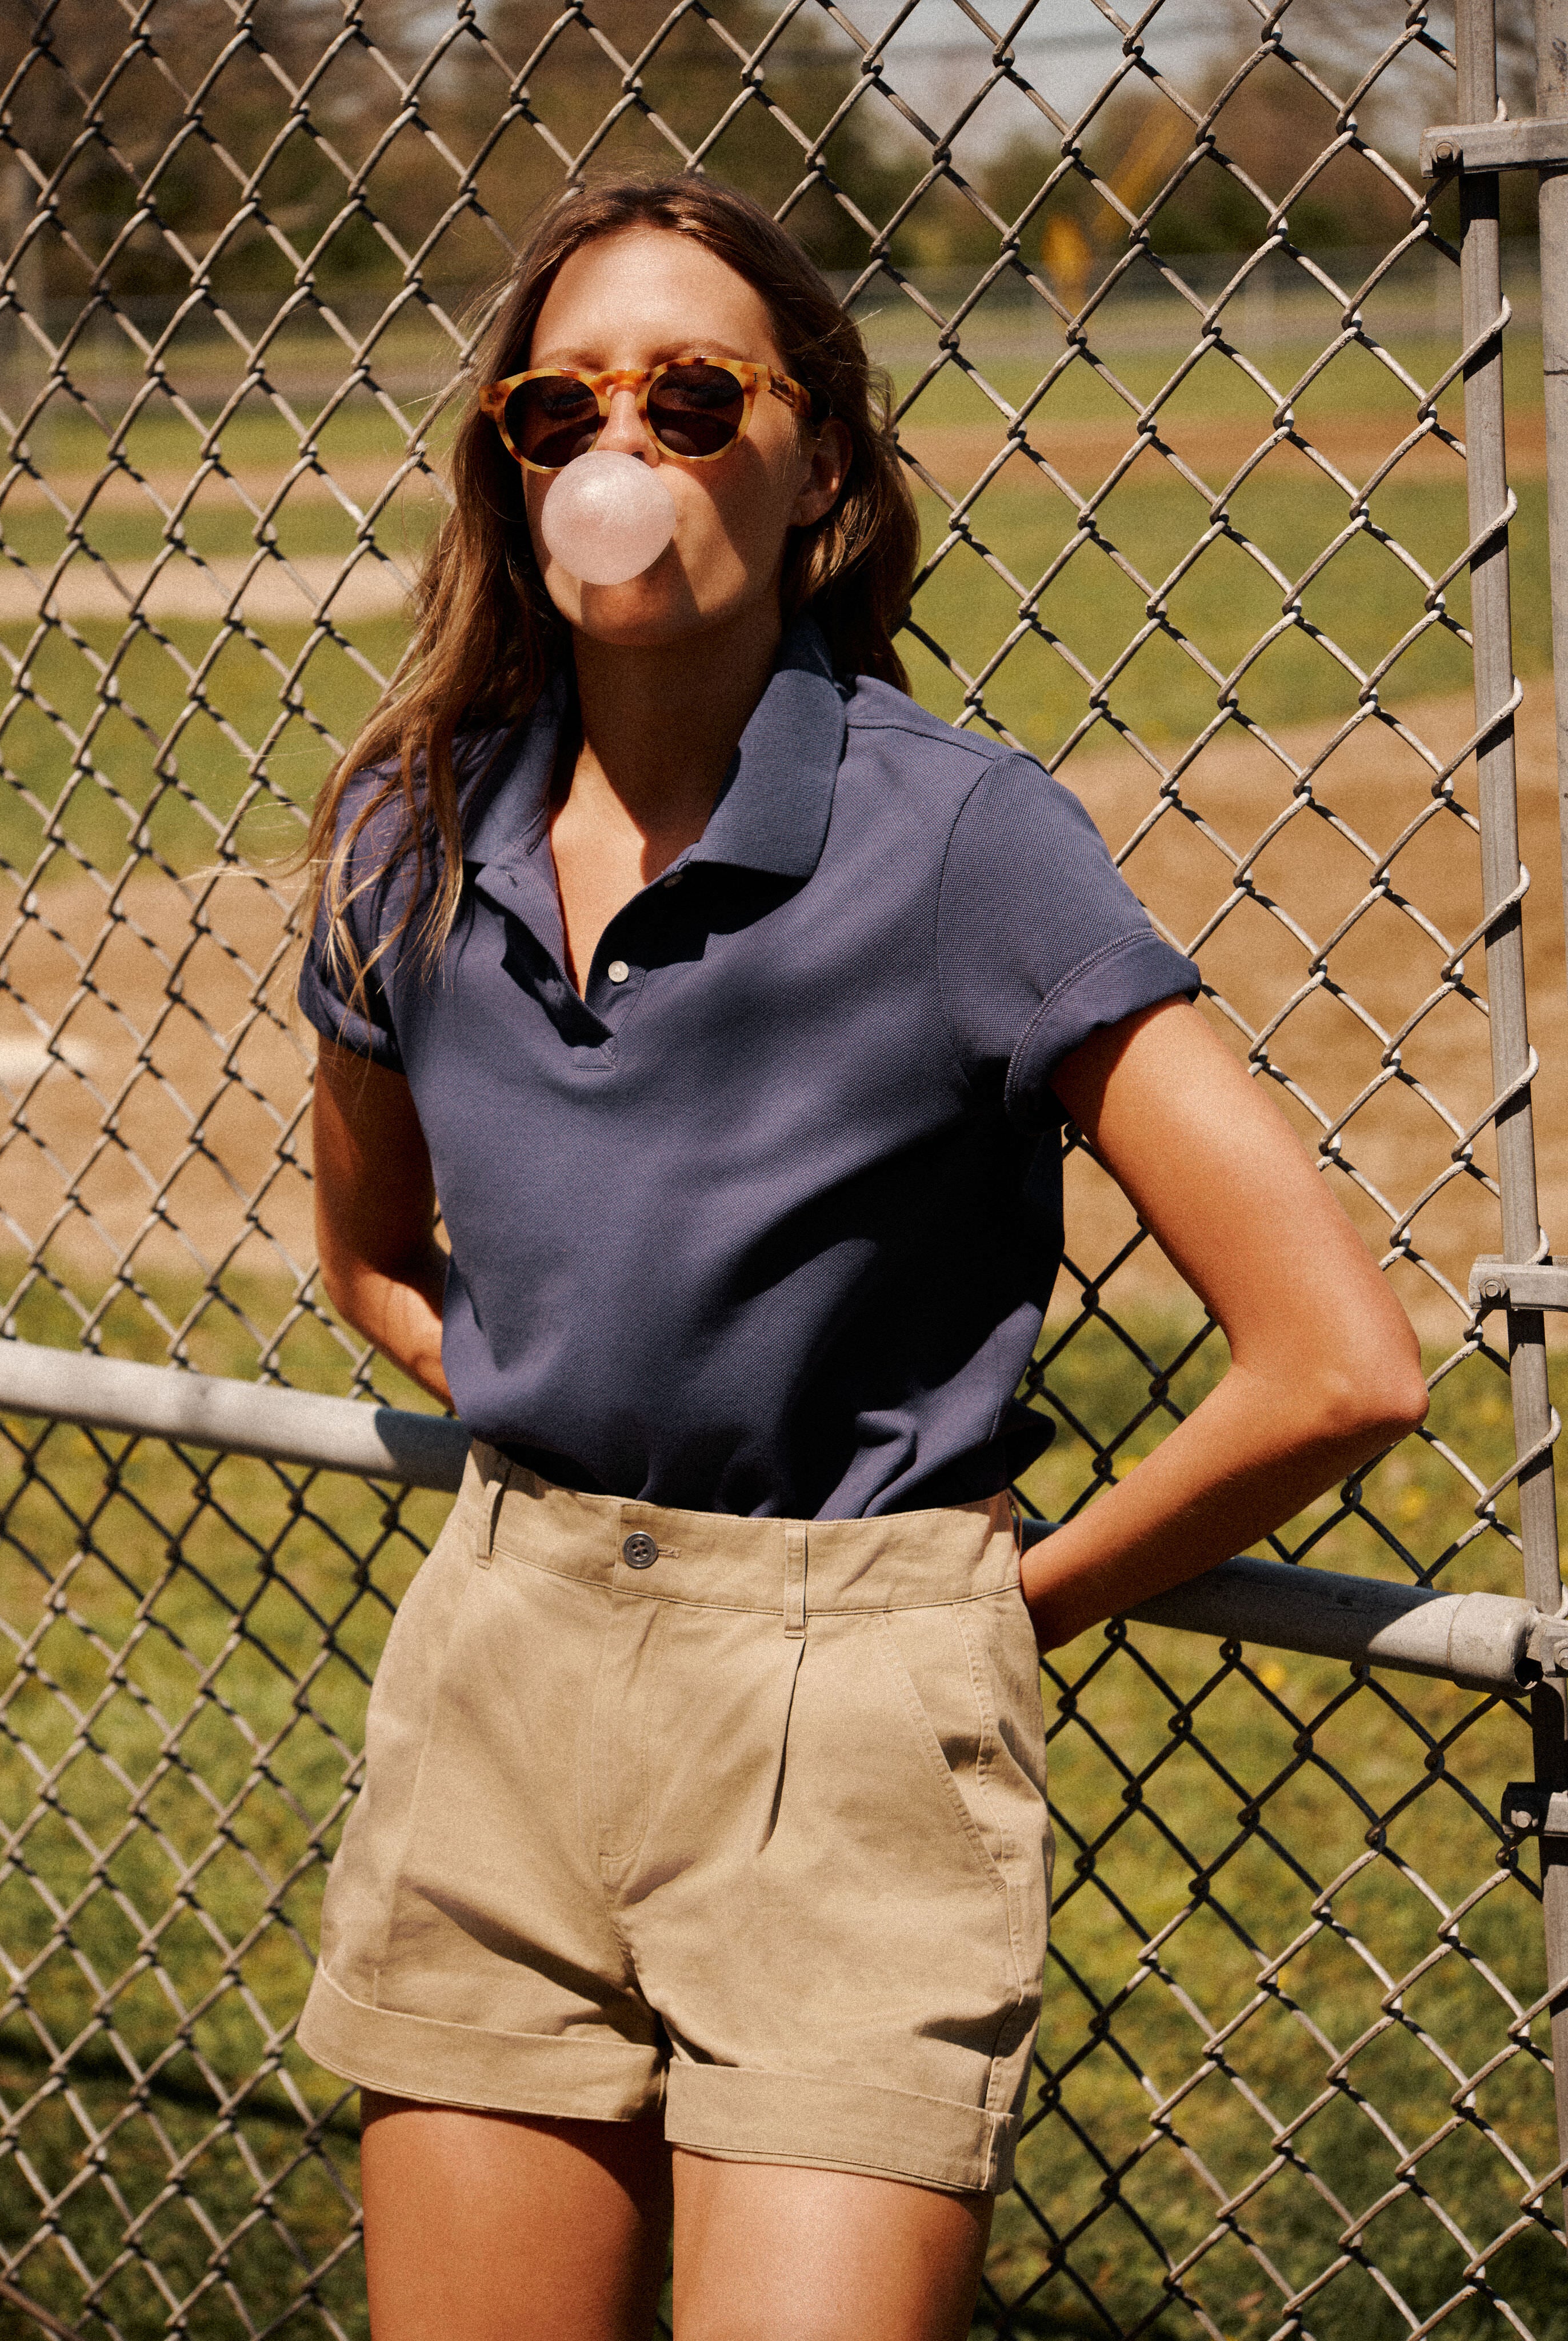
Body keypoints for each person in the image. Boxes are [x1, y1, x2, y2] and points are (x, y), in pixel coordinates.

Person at [291, 175, 1427, 2341]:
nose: (622, 455)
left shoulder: (963, 840)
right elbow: (364, 1253)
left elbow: (1339, 1362)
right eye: (563, 412)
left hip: (863, 1713)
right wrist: (563, 1391)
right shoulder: (409, 829)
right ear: (511, 470)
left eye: (694, 396)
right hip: (498, 1684)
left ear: (817, 455)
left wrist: (985, 1608)